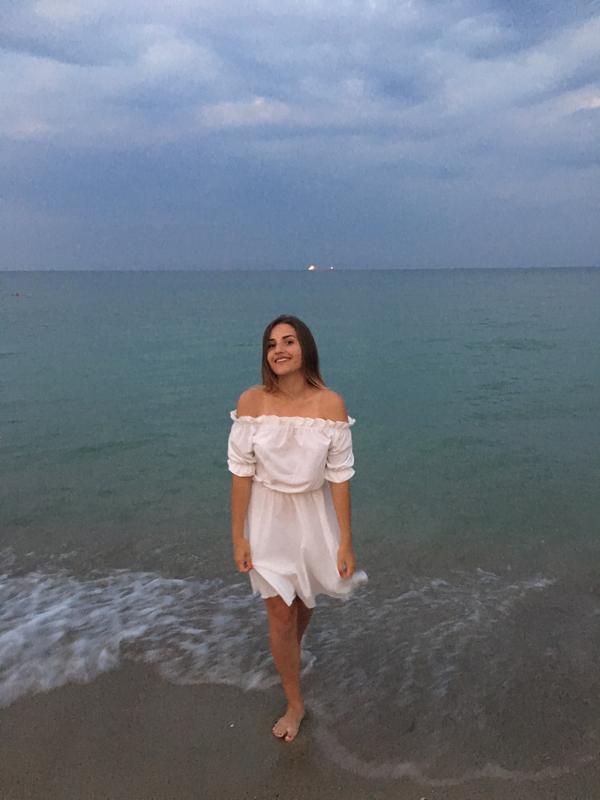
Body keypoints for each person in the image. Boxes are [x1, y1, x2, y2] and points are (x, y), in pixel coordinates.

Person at [227, 314, 366, 743]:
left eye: (288, 341)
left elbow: (340, 478)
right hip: (266, 518)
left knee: (304, 599)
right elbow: (240, 475)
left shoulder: (331, 406)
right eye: (271, 344)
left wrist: (345, 542)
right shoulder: (251, 403)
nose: (279, 350)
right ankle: (294, 703)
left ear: (305, 347)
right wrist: (238, 535)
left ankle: (286, 649)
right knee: (279, 612)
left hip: (313, 516)